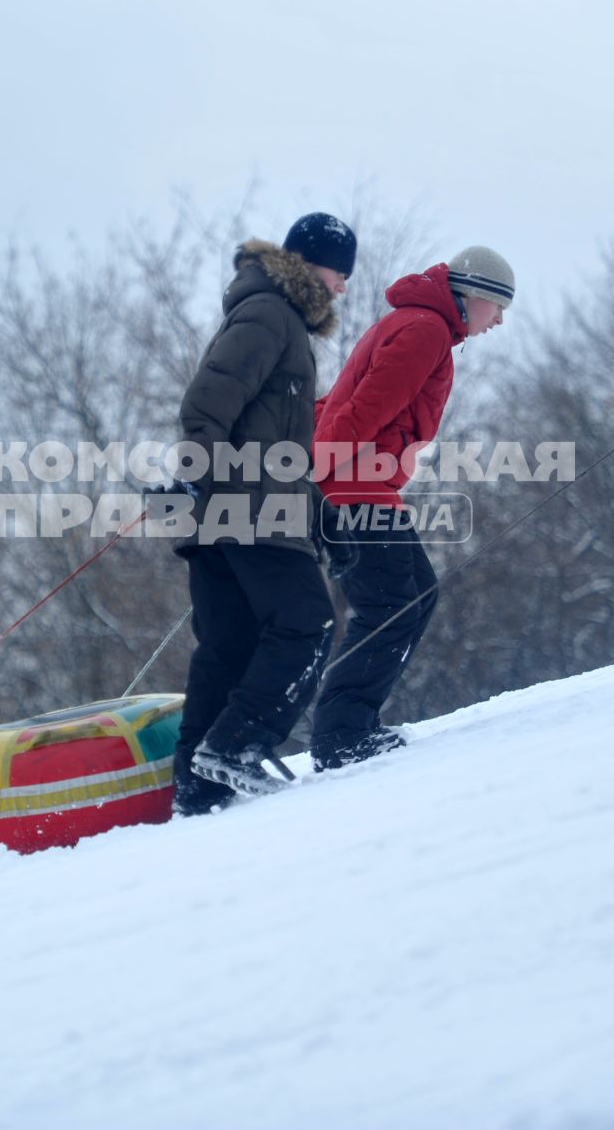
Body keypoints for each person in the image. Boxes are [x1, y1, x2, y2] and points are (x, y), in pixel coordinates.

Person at [168, 212, 353, 811]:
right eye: (338, 271)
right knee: (307, 625)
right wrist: (198, 477)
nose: (343, 285)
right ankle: (234, 745)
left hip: (236, 508)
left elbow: (276, 444)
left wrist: (322, 517)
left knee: (229, 645)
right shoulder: (273, 313)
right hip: (248, 508)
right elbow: (207, 402)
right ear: (307, 264)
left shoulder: (269, 313)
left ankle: (196, 790)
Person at [307, 246, 516, 768]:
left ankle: (351, 725)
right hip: (351, 489)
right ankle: (341, 736)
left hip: (363, 486)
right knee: (393, 604)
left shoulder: (421, 327)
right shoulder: (423, 330)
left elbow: (342, 399)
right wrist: (312, 471)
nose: (500, 321)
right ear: (474, 296)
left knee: (415, 594)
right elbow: (363, 408)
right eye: (499, 306)